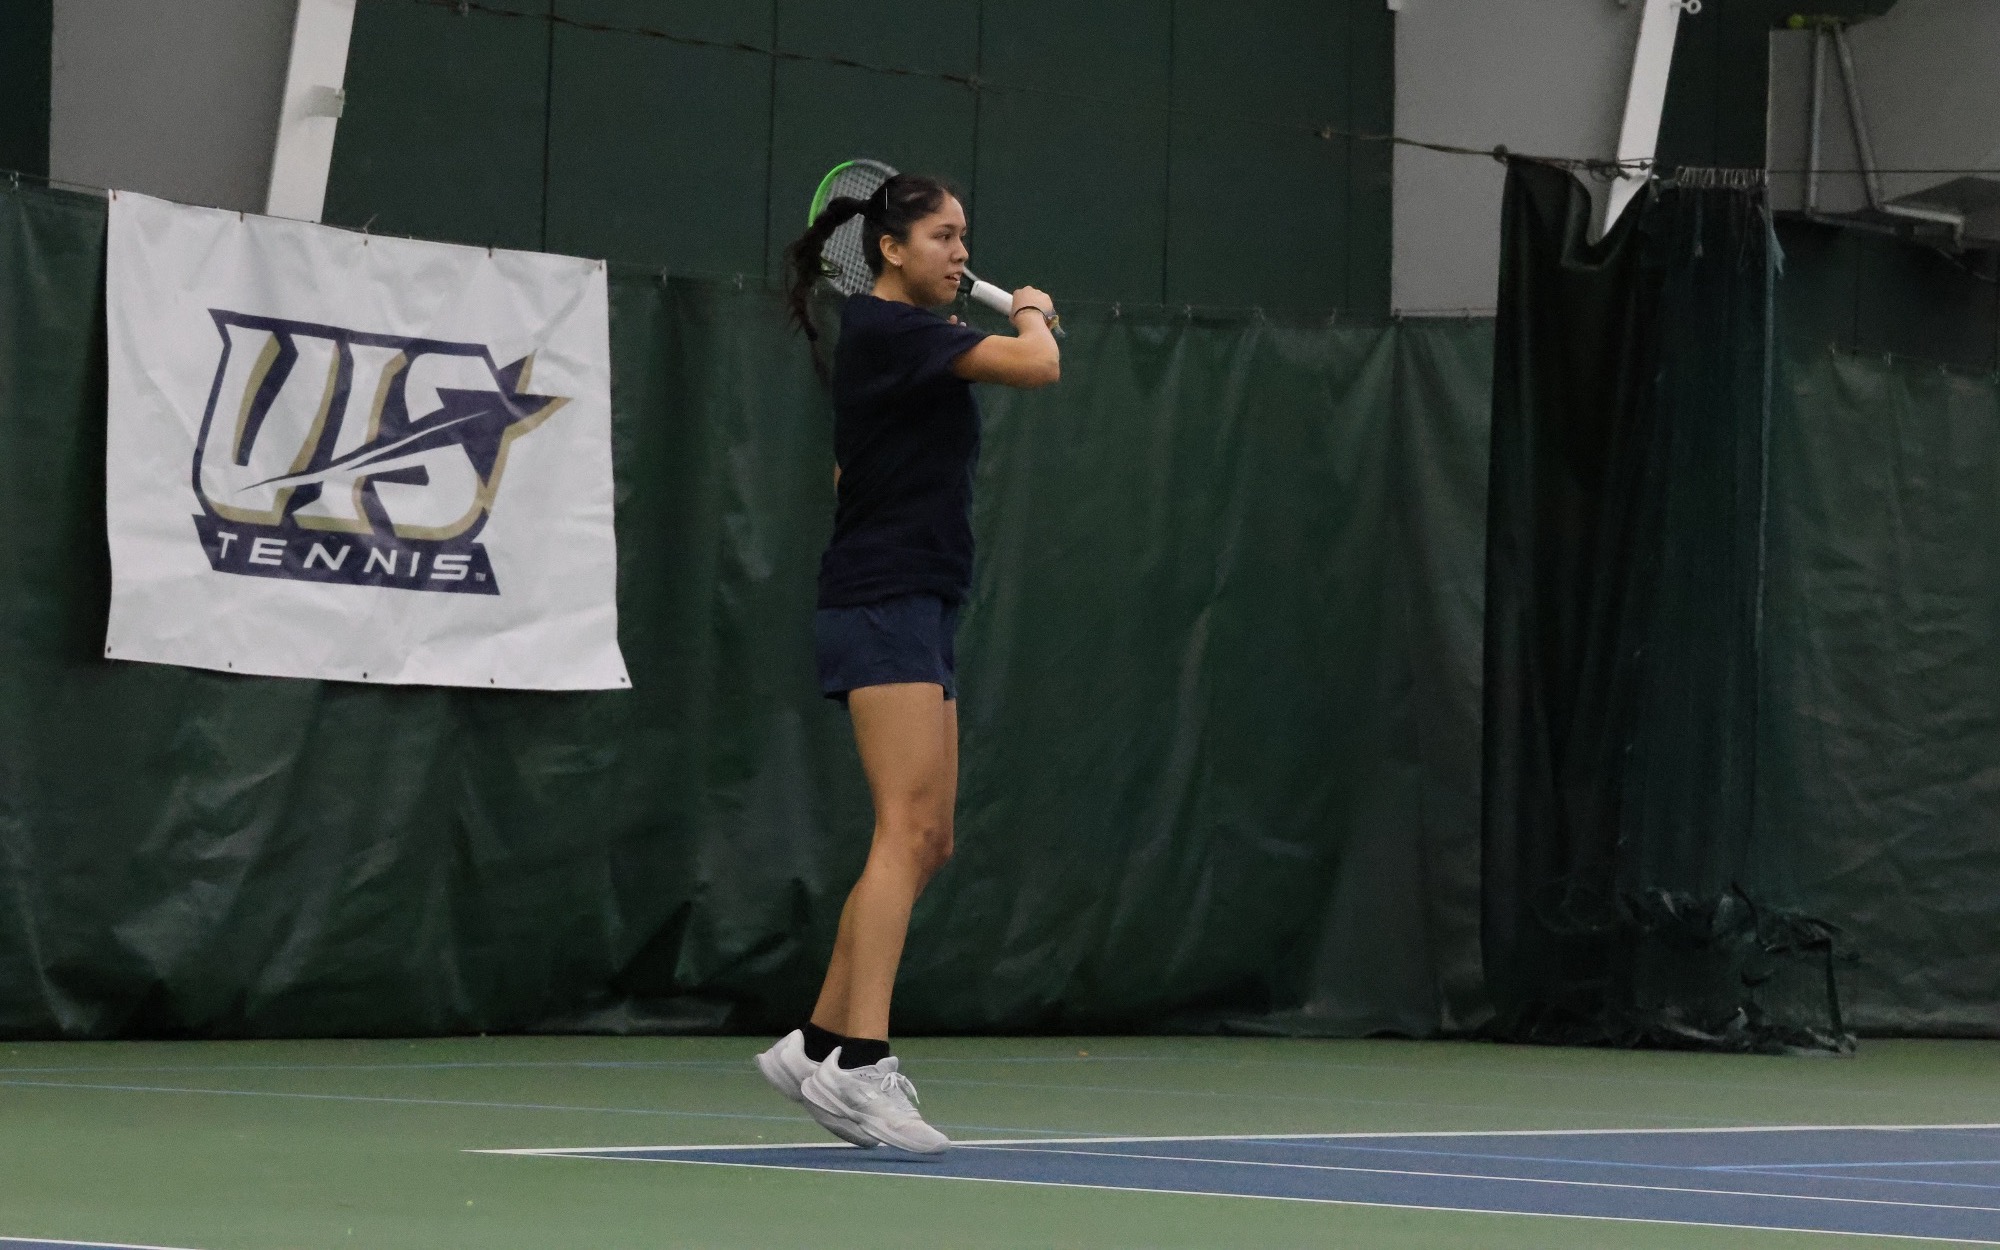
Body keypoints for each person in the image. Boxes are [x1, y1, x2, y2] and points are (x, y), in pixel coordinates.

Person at [754, 174, 1060, 1153]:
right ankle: (857, 1062)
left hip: (915, 601)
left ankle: (810, 1041)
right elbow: (1038, 366)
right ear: (889, 248)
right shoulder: (890, 330)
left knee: (929, 838)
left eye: (965, 236)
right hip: (881, 601)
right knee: (902, 827)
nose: (958, 253)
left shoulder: (901, 345)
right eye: (941, 236)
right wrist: (1033, 309)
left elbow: (859, 467)